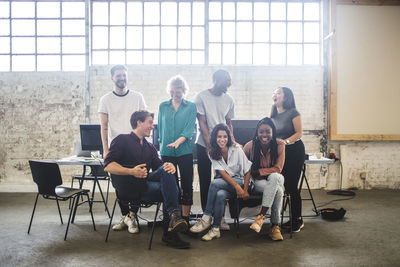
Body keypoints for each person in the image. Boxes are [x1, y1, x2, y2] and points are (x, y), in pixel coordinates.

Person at [104, 110, 190, 249]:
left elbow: (160, 167)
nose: (152, 126)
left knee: (167, 171)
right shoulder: (122, 139)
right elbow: (108, 166)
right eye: (150, 122)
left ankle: (174, 217)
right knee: (171, 190)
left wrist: (169, 165)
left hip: (144, 184)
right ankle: (170, 231)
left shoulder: (149, 146)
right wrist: (131, 171)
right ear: (139, 122)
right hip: (128, 187)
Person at [190, 124, 252, 241]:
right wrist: (236, 187)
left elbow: (248, 170)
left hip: (242, 181)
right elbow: (222, 173)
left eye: (225, 136)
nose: (222, 139)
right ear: (214, 138)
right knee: (220, 195)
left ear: (228, 138)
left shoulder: (237, 149)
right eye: (219, 137)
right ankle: (216, 229)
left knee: (214, 184)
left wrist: (244, 189)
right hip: (229, 184)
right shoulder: (212, 152)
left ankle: (206, 217)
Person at [194, 70, 235, 228]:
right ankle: (207, 216)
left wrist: (231, 142)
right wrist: (210, 146)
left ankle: (220, 216)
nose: (229, 84)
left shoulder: (229, 99)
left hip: (223, 145)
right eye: (227, 80)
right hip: (204, 145)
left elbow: (228, 123)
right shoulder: (201, 96)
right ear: (216, 80)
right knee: (205, 182)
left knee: (221, 181)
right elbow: (202, 123)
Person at [158, 75, 197, 225]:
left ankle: (185, 218)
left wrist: (178, 142)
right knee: (171, 186)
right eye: (173, 91)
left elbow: (189, 129)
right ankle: (173, 217)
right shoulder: (163, 106)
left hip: (184, 150)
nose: (176, 93)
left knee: (186, 183)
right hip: (166, 151)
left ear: (184, 90)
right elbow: (161, 127)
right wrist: (161, 144)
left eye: (179, 90)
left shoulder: (191, 106)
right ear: (170, 91)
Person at [243, 117, 285, 241]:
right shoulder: (249, 146)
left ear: (273, 132)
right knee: (278, 191)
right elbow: (244, 168)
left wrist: (259, 171)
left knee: (275, 177)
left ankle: (261, 216)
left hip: (276, 178)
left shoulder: (280, 144)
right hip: (259, 182)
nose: (264, 135)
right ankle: (275, 226)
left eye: (268, 131)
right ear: (257, 133)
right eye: (261, 132)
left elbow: (278, 168)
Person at [270, 87, 305, 232]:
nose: (275, 94)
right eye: (274, 92)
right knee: (280, 185)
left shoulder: (293, 112)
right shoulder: (273, 114)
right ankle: (277, 220)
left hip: (294, 151)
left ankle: (297, 219)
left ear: (286, 97)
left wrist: (285, 142)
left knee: (291, 186)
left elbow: (299, 133)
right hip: (280, 153)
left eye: (278, 93)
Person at [98, 65, 146, 158]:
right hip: (115, 148)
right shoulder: (105, 99)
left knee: (138, 173)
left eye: (124, 75)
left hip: (136, 147)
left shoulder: (138, 97)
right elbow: (104, 127)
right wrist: (105, 150)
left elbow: (144, 123)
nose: (122, 78)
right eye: (118, 76)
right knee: (117, 173)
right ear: (112, 78)